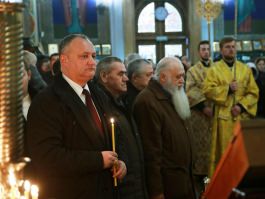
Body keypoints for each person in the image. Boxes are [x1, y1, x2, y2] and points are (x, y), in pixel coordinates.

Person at [26, 34, 126, 199]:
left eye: (93, 56)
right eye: (84, 56)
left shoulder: (97, 93)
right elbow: (47, 157)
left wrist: (120, 161)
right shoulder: (47, 101)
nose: (92, 62)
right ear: (64, 60)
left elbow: (114, 135)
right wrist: (98, 160)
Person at [133, 57, 195, 199]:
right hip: (168, 185)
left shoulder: (172, 93)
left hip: (184, 180)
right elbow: (151, 152)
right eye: (178, 77)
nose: (182, 81)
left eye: (183, 76)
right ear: (162, 77)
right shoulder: (147, 102)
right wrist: (156, 192)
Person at [203, 37, 259, 177]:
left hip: (241, 118)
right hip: (223, 119)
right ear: (221, 50)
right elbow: (207, 91)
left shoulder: (245, 69)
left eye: (233, 46)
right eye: (227, 47)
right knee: (224, 153)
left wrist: (241, 106)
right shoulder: (214, 70)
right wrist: (227, 89)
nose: (231, 49)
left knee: (241, 152)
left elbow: (253, 93)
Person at [94, 56, 148, 199]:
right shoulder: (100, 107)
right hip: (121, 187)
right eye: (120, 74)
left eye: (125, 73)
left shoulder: (121, 101)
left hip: (134, 184)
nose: (126, 79)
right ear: (104, 76)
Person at [185, 40, 213, 196]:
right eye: (203, 49)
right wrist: (204, 107)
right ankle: (202, 187)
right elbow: (190, 91)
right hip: (200, 117)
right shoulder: (193, 71)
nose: (206, 52)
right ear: (198, 52)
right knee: (202, 151)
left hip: (216, 116)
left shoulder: (218, 69)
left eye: (208, 49)